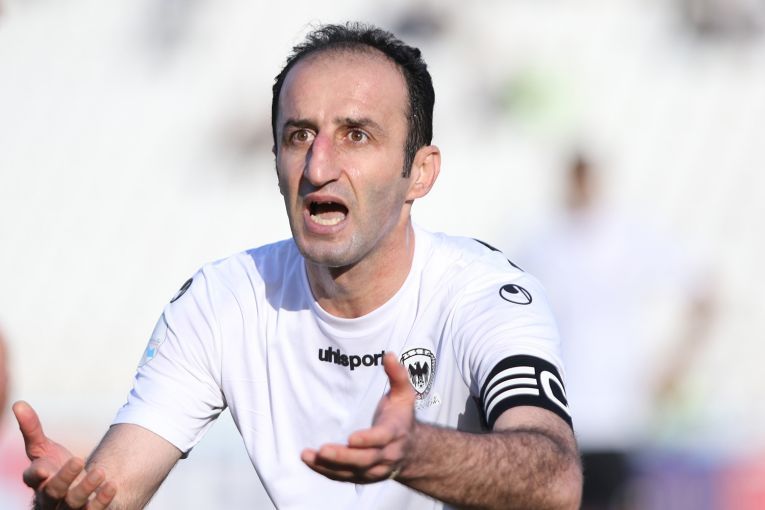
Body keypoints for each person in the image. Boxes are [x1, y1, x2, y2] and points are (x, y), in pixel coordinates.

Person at [14, 22, 582, 509]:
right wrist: (72, 501)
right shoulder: (225, 299)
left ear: (420, 172)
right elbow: (114, 488)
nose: (318, 166)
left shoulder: (485, 294)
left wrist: (416, 453)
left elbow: (557, 482)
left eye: (356, 135)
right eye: (299, 135)